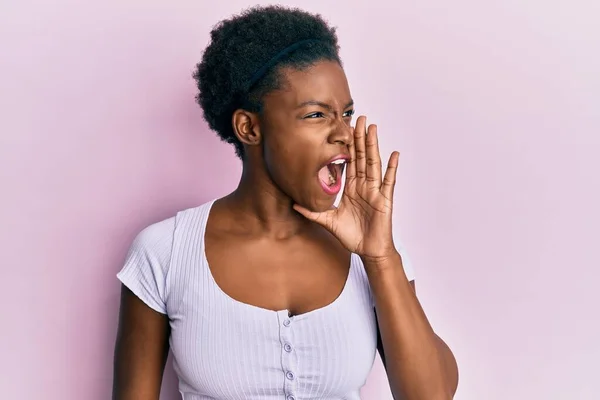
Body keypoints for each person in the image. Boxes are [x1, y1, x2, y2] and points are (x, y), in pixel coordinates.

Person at [112, 5, 458, 400]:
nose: (344, 133)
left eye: (346, 113)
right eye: (316, 115)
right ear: (250, 127)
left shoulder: (374, 252)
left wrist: (381, 259)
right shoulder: (165, 252)